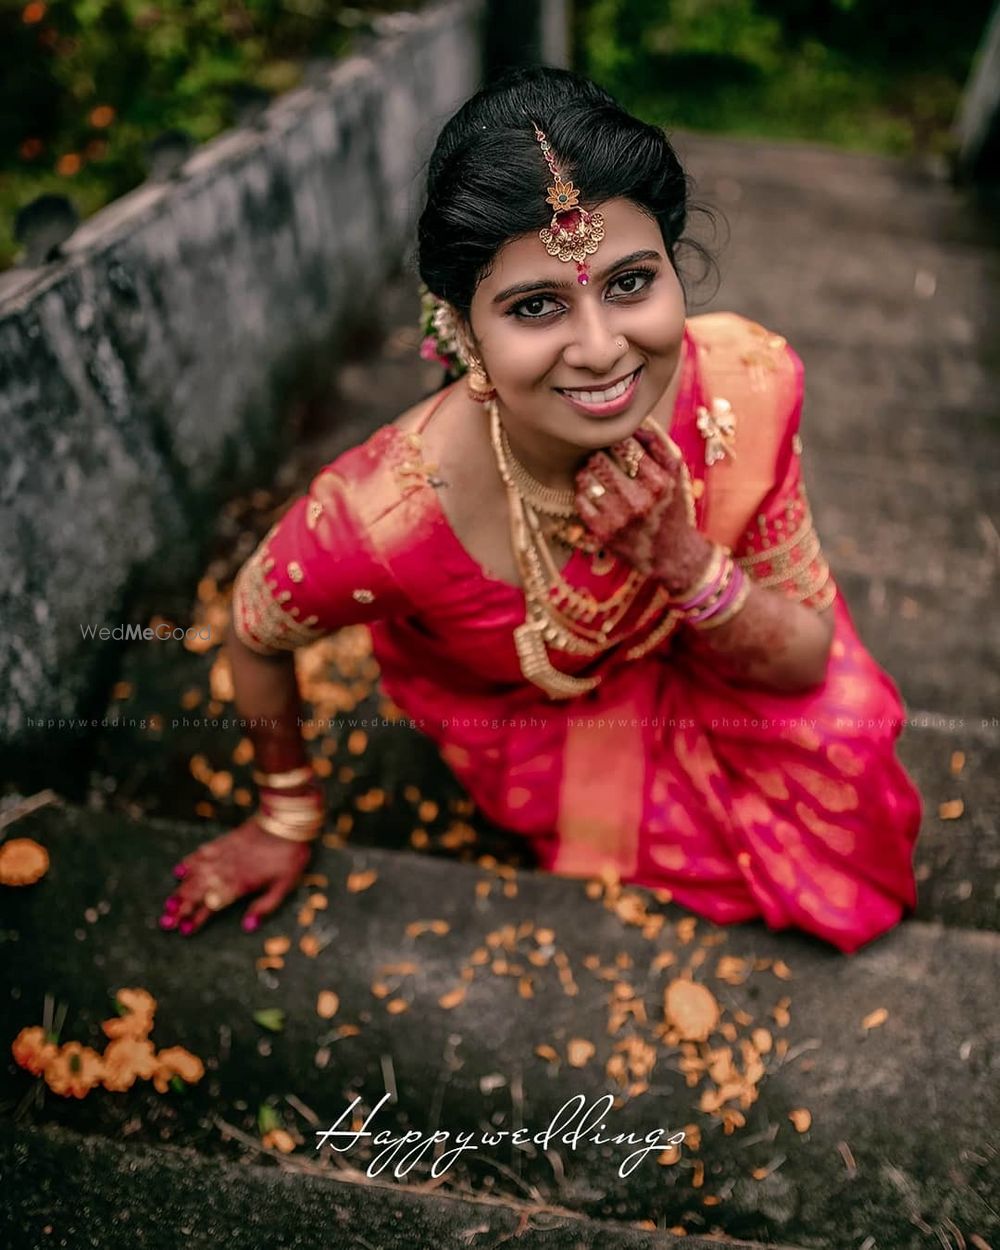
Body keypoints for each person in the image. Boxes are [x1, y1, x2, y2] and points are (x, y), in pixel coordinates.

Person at [160, 66, 922, 955]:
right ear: (461, 327)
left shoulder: (746, 388)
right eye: (535, 306)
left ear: (678, 271)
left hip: (707, 642)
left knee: (849, 747)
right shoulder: (390, 513)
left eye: (632, 284)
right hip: (534, 723)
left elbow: (803, 662)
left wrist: (678, 559)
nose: (602, 350)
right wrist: (286, 812)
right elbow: (253, 631)